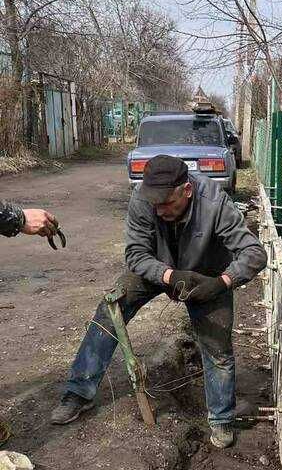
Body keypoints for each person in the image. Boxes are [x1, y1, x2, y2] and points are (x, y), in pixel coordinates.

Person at [51, 155, 267, 448]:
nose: (160, 208)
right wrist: (168, 275)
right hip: (158, 269)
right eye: (156, 202)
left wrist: (220, 283)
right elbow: (136, 254)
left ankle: (221, 418)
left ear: (187, 190)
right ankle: (79, 391)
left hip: (208, 276)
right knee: (110, 309)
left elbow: (254, 253)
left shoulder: (215, 202)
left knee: (217, 345)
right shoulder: (144, 199)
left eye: (167, 202)